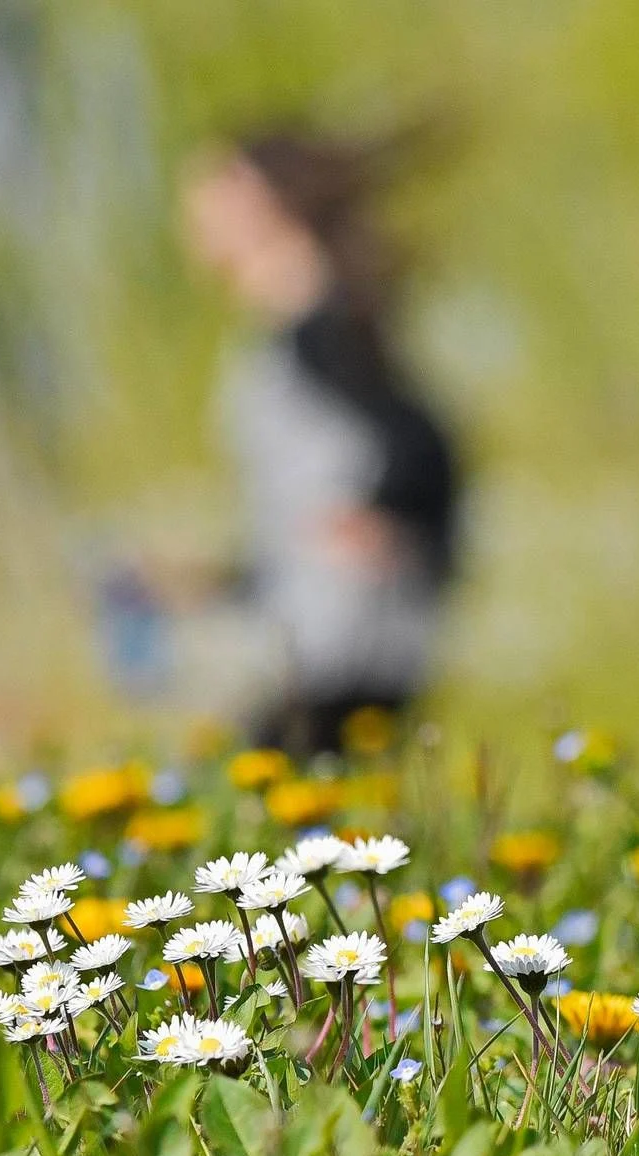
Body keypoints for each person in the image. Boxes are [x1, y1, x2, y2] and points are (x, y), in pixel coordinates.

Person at [181, 128, 461, 758]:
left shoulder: (319, 331)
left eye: (207, 192)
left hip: (346, 638)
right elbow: (307, 488)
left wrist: (388, 515)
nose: (191, 215)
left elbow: (419, 440)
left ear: (257, 201)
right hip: (310, 631)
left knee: (273, 814)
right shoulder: (297, 329)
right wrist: (226, 578)